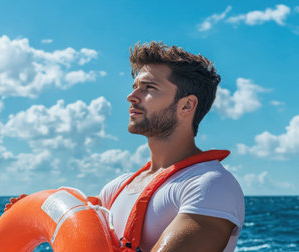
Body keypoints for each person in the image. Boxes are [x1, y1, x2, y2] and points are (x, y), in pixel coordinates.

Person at [98, 42, 245, 252]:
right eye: (135, 87)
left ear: (186, 105)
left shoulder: (211, 185)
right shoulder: (114, 189)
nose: (131, 97)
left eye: (149, 88)